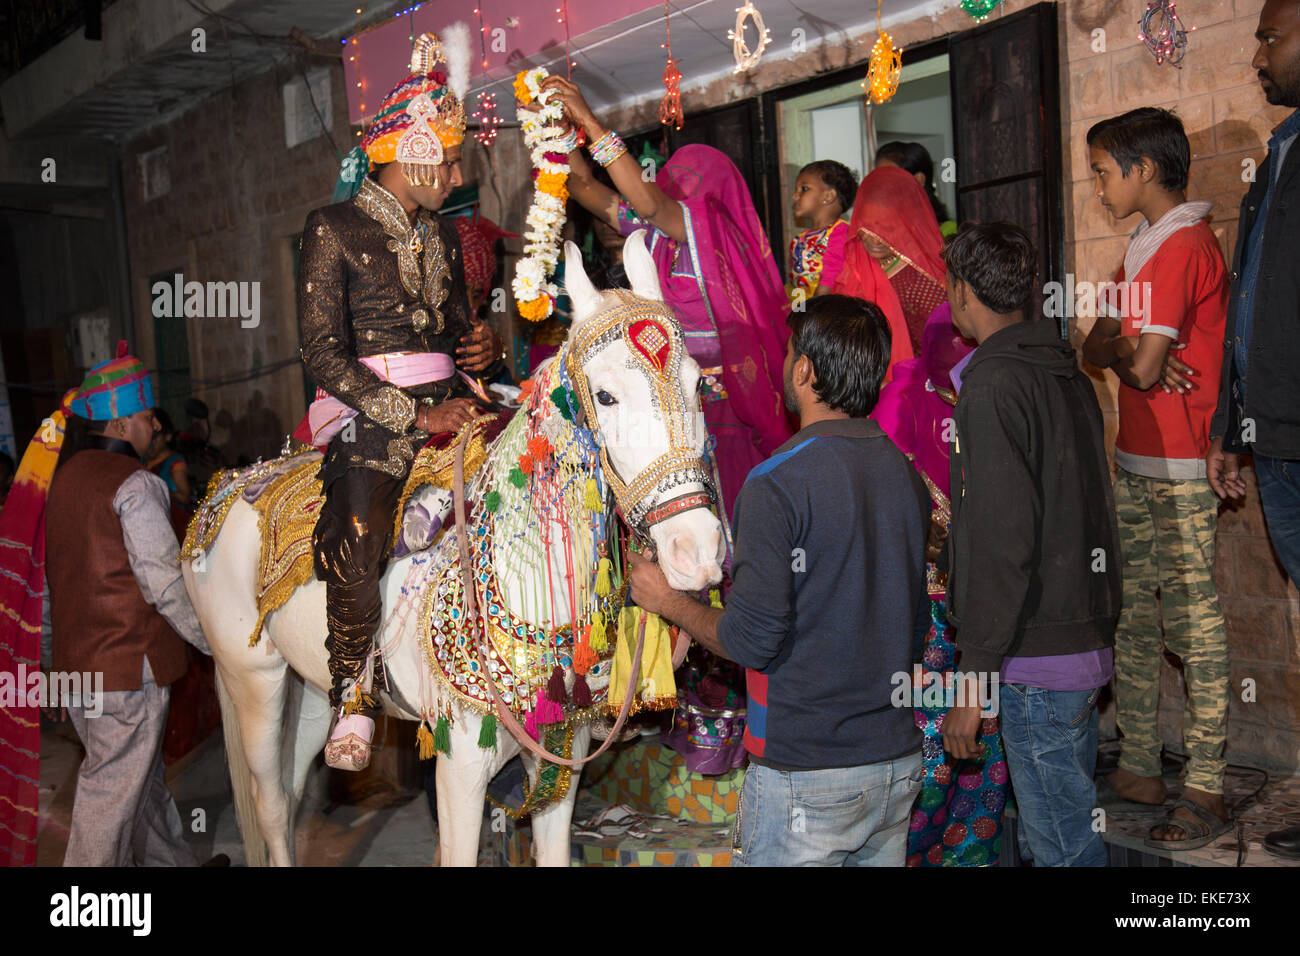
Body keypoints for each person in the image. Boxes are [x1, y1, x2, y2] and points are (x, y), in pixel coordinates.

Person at [628, 293, 930, 867]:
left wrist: (666, 599)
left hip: (806, 775)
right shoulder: (903, 474)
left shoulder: (776, 483)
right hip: (894, 765)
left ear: (805, 370)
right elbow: (913, 627)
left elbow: (751, 640)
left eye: (790, 350)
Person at [299, 29, 500, 770]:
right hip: (375, 415)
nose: (453, 175)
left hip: (455, 396)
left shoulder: (443, 236)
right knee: (358, 524)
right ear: (409, 151)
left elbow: (453, 330)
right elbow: (321, 353)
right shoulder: (334, 228)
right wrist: (415, 416)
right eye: (446, 161)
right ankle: (351, 690)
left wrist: (482, 350)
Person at [940, 222, 1121, 868]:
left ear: (963, 293)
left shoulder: (993, 385)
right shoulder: (1064, 371)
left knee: (1061, 848)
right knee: (1067, 831)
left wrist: (973, 681)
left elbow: (1001, 540)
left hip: (1036, 657)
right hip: (1079, 640)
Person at [1081, 107, 1232, 850]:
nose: (1099, 187)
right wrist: (1125, 346)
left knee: (1193, 623)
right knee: (1135, 618)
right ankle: (1140, 763)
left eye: (1104, 172)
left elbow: (1138, 363)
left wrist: (1130, 349)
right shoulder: (1142, 246)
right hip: (1138, 457)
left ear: (1143, 167)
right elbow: (1093, 346)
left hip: (1178, 462)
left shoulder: (1180, 245)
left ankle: (1206, 779)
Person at [541, 75, 792, 517]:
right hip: (661, 408)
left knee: (727, 525)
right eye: (673, 181)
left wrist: (594, 124)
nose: (675, 190)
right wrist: (565, 133)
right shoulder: (655, 238)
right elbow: (584, 189)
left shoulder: (716, 235)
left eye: (688, 183)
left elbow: (652, 204)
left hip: (723, 411)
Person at [43, 343, 214, 866]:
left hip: (78, 672)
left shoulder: (62, 482)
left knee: (138, 785)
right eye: (144, 417)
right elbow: (163, 583)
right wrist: (214, 642)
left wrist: (51, 662)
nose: (151, 427)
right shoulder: (136, 484)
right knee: (108, 796)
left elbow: (50, 586)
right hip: (126, 671)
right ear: (119, 424)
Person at [1206, 0, 1300, 862]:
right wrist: (1232, 424)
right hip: (1274, 435)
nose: (1258, 50)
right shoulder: (1279, 155)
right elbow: (1250, 306)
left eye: (1272, 34)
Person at [871, 306, 1007, 867]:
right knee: (930, 754)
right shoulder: (899, 403)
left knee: (984, 748)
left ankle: (968, 856)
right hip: (919, 612)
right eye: (945, 390)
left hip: (984, 608)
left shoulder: (997, 399)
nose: (953, 405)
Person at [831, 166, 947, 362]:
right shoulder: (854, 263)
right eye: (868, 228)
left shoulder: (924, 276)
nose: (875, 240)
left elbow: (949, 344)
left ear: (906, 224)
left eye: (886, 229)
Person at [788, 159, 855, 299]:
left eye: (804, 189)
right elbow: (796, 282)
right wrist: (798, 313)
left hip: (826, 310)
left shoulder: (840, 231)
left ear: (828, 196)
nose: (795, 196)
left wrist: (816, 313)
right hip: (804, 310)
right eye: (796, 190)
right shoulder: (799, 239)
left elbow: (831, 275)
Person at [874, 141, 957, 238]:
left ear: (918, 179)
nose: (882, 186)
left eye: (890, 178)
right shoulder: (875, 230)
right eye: (878, 178)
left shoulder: (946, 231)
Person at [146, 407, 193, 538]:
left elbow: (185, 498)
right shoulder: (143, 462)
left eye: (155, 438)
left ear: (167, 436)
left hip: (175, 525)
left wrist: (160, 488)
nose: (151, 443)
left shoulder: (174, 462)